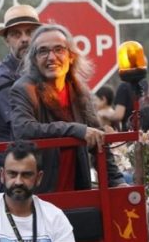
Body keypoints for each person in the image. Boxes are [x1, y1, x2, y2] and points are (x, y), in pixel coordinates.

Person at [10, 24, 126, 193]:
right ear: (34, 59)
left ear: (71, 56)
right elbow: (24, 129)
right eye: (43, 51)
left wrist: (117, 182)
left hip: (77, 193)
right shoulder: (23, 88)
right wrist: (76, 130)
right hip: (40, 196)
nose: (51, 57)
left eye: (59, 49)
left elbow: (98, 138)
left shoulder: (80, 92)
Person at [0, 5, 42, 189]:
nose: (25, 39)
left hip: (42, 167)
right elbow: (24, 127)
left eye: (30, 32)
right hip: (16, 175)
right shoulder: (2, 78)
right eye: (16, 34)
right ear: (7, 41)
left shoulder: (48, 69)